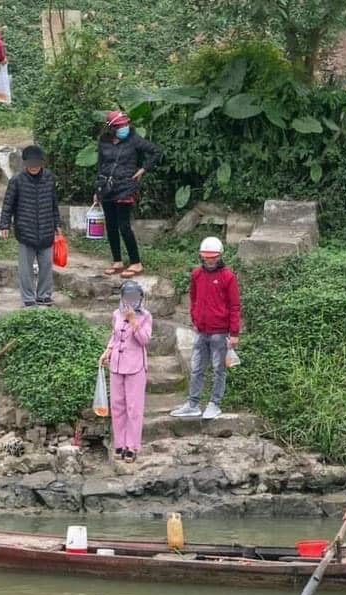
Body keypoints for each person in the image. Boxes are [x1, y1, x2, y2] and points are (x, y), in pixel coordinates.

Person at [170, 237, 240, 420]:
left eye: (213, 257)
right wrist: (194, 317)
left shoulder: (228, 276)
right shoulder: (196, 274)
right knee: (197, 368)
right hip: (202, 330)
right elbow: (193, 297)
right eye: (206, 257)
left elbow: (234, 306)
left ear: (219, 256)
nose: (210, 260)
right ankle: (192, 404)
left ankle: (214, 404)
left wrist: (234, 333)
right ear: (201, 256)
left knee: (219, 369)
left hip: (220, 331)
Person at [95, 110, 161, 279]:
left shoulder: (134, 139)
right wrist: (97, 190)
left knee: (123, 225)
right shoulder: (104, 141)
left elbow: (155, 151)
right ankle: (117, 261)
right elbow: (100, 166)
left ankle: (136, 262)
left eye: (125, 124)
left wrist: (142, 170)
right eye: (119, 126)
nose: (124, 128)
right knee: (110, 225)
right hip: (107, 186)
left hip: (126, 185)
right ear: (111, 128)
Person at [0, 145, 61, 307]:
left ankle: (44, 295)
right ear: (25, 164)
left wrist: (57, 223)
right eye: (30, 165)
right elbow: (8, 205)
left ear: (42, 163)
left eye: (37, 164)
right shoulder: (16, 180)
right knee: (25, 269)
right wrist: (4, 225)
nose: (34, 168)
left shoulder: (49, 178)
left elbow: (54, 203)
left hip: (47, 229)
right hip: (25, 230)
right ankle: (28, 298)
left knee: (47, 265)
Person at [99, 281, 153, 463]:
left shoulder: (145, 316)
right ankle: (119, 443)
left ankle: (132, 446)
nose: (130, 300)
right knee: (117, 406)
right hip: (117, 364)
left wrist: (133, 321)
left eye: (134, 297)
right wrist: (108, 350)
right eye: (127, 297)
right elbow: (115, 336)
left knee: (134, 408)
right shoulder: (116, 314)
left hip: (135, 366)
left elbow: (144, 340)